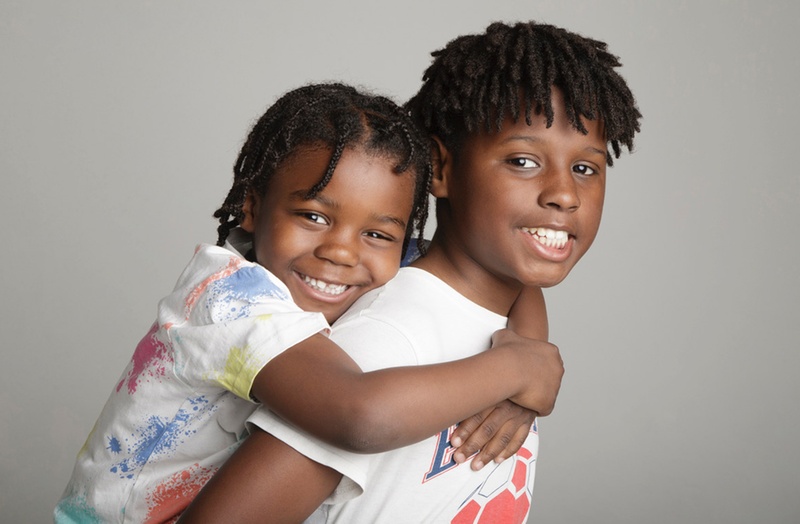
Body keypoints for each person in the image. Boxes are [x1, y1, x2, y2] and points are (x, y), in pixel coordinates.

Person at [179, 21, 642, 524]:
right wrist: (522, 370)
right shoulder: (383, 344)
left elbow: (521, 297)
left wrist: (530, 366)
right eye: (523, 160)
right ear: (441, 169)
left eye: (586, 168)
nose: (565, 194)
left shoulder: (495, 318)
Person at [54, 82, 564, 524]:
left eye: (376, 233)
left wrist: (532, 353)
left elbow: (511, 277)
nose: (341, 252)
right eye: (314, 217)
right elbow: (360, 417)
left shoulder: (373, 257)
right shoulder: (229, 301)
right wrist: (516, 368)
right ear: (252, 207)